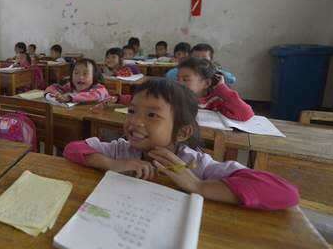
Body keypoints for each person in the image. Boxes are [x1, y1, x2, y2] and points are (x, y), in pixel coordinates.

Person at [63, 79, 299, 210]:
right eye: (132, 111)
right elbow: (73, 148)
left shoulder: (196, 164)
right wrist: (111, 164)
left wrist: (199, 186)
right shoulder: (122, 150)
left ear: (183, 131)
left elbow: (286, 193)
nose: (134, 122)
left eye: (152, 115)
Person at [177, 57, 253, 121]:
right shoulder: (177, 96)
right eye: (177, 79)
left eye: (185, 80)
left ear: (206, 83)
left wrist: (223, 89)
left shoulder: (217, 100)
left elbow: (246, 113)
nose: (178, 83)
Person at [45, 58, 110, 104]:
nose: (80, 77)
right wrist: (57, 94)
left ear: (94, 76)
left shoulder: (100, 89)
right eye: (76, 73)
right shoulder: (71, 86)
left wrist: (70, 97)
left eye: (85, 73)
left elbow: (94, 96)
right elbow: (53, 87)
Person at [166, 43, 236, 85]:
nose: (199, 61)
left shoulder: (216, 73)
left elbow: (231, 79)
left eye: (204, 58)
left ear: (211, 60)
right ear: (190, 58)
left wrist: (215, 71)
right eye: (195, 58)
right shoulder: (175, 73)